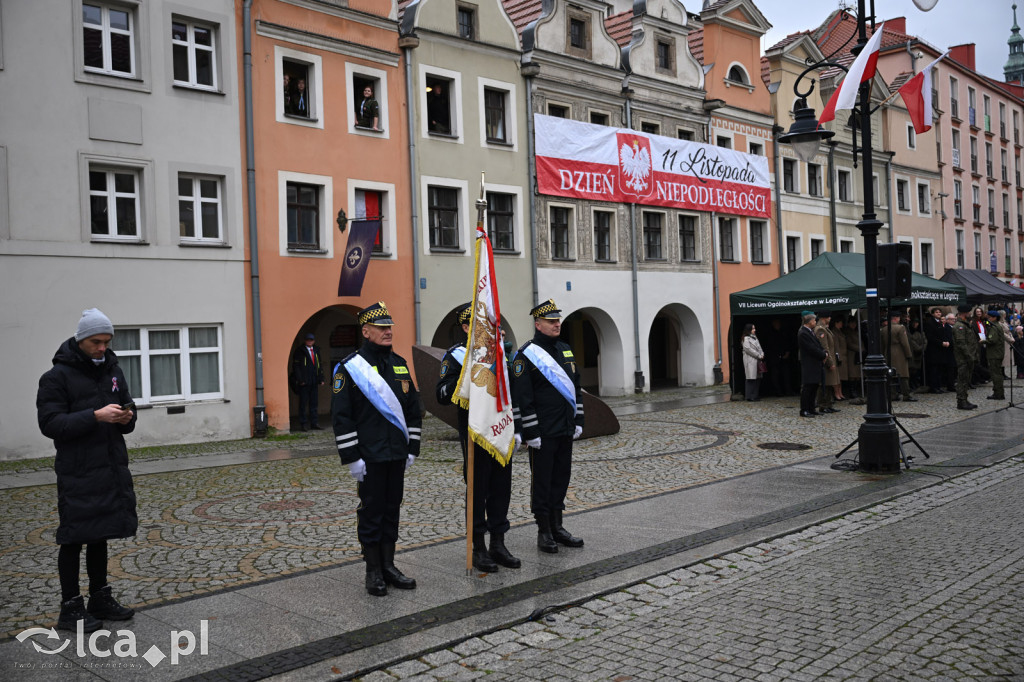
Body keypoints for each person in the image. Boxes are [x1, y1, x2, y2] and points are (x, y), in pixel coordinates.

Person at [37, 309, 138, 633]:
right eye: (96, 342)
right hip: (78, 469)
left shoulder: (112, 369)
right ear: (81, 340)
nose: (102, 348)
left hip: (109, 465)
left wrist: (127, 417)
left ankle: (99, 598)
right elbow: (50, 424)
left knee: (100, 533)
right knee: (74, 537)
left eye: (107, 342)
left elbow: (127, 407)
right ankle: (70, 608)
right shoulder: (56, 377)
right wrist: (94, 416)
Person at [331, 302, 422, 596]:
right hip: (369, 457)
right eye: (381, 327)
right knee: (371, 512)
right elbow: (341, 417)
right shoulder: (349, 368)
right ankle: (373, 571)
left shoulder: (399, 364)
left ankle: (389, 566)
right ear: (366, 331)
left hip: (396, 453)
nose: (388, 331)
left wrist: (413, 447)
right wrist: (352, 457)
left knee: (391, 509)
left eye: (389, 327)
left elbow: (412, 409)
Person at [435, 303, 519, 572]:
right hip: (474, 434)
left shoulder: (499, 354)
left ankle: (498, 542)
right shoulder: (456, 356)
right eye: (478, 324)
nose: (485, 328)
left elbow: (512, 393)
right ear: (465, 327)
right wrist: (467, 375)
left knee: (501, 489)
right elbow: (442, 394)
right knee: (478, 490)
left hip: (500, 430)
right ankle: (479, 546)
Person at [511, 298, 585, 553]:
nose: (557, 324)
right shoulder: (526, 355)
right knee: (541, 482)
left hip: (564, 427)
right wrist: (531, 432)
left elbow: (576, 387)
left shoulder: (565, 349)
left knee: (561, 478)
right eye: (551, 321)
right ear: (538, 324)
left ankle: (558, 526)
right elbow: (523, 398)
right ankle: (544, 530)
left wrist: (578, 419)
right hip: (542, 431)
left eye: (558, 320)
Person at [881, 310, 917, 402]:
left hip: (887, 353)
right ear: (896, 318)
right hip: (899, 352)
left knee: (890, 375)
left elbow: (882, 344)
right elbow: (905, 343)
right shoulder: (901, 328)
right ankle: (906, 395)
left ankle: (893, 395)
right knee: (904, 375)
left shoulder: (883, 329)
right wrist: (908, 354)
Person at [291, 332, 324, 431]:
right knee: (303, 403)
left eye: (311, 340)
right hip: (304, 381)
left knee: (314, 403)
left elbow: (319, 365)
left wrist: (321, 378)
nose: (310, 342)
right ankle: (303, 423)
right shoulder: (300, 351)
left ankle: (314, 423)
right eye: (308, 340)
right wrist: (300, 379)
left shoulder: (316, 350)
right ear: (305, 341)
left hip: (314, 380)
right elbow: (296, 367)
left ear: (314, 341)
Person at [797, 311, 827, 418]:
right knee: (808, 388)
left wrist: (824, 352)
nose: (815, 322)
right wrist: (822, 355)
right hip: (809, 364)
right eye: (814, 320)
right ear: (809, 321)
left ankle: (811, 408)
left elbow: (818, 344)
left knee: (814, 387)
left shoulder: (810, 331)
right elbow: (811, 348)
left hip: (815, 363)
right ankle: (804, 409)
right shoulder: (803, 333)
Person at [952, 304, 979, 410]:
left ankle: (964, 399)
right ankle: (961, 401)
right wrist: (969, 356)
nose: (970, 314)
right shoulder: (960, 326)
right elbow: (961, 343)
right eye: (969, 312)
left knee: (966, 379)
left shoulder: (966, 324)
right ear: (964, 313)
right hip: (963, 358)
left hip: (969, 357)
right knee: (962, 379)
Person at [761, 317, 794, 397]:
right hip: (774, 358)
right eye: (776, 323)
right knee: (775, 376)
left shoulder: (783, 332)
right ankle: (778, 391)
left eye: (778, 323)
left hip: (784, 357)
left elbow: (787, 343)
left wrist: (787, 352)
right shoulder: (770, 334)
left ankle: (787, 390)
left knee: (786, 375)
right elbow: (768, 346)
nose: (777, 325)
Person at [814, 311, 839, 414]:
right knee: (824, 384)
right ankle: (823, 405)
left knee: (829, 384)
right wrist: (830, 362)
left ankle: (828, 404)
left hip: (829, 358)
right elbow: (825, 347)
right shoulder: (820, 329)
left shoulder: (824, 328)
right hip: (826, 360)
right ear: (826, 317)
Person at [984, 309, 1011, 400]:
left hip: (994, 354)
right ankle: (999, 393)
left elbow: (992, 340)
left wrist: (983, 340)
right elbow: (987, 324)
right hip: (997, 353)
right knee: (998, 374)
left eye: (989, 317)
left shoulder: (994, 327)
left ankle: (998, 394)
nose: (988, 319)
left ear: (994, 318)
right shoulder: (997, 325)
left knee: (995, 375)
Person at [923, 307, 949, 394]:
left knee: (939, 369)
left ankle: (938, 386)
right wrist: (941, 343)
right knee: (934, 370)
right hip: (933, 350)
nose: (938, 314)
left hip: (940, 350)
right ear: (933, 314)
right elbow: (930, 337)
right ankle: (934, 387)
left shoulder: (940, 323)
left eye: (939, 312)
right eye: (936, 312)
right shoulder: (930, 323)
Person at [740, 323, 764, 402]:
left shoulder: (755, 338)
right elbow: (748, 349)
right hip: (750, 361)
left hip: (757, 360)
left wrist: (762, 354)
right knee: (751, 379)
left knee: (757, 378)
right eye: (753, 329)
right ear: (749, 330)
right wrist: (758, 355)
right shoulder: (746, 339)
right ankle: (749, 396)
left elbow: (759, 347)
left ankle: (755, 395)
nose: (754, 330)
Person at [844, 315, 862, 400]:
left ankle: (855, 390)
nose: (854, 325)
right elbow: (849, 343)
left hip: (858, 354)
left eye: (855, 323)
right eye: (852, 323)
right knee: (853, 374)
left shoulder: (856, 331)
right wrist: (860, 349)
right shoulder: (847, 332)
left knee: (857, 374)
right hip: (852, 354)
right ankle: (852, 391)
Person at [906, 315, 926, 391]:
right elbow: (911, 342)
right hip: (913, 353)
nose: (916, 324)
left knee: (917, 370)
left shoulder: (920, 332)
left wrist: (922, 348)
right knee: (912, 370)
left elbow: (925, 341)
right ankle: (911, 384)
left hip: (919, 354)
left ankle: (915, 384)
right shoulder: (909, 331)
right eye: (914, 323)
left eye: (917, 323)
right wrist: (919, 348)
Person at [831, 316, 848, 400]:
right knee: (837, 377)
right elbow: (836, 346)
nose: (842, 324)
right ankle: (837, 393)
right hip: (839, 357)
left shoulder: (839, 331)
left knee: (840, 377)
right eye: (840, 322)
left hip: (843, 356)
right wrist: (839, 357)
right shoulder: (835, 332)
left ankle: (840, 393)